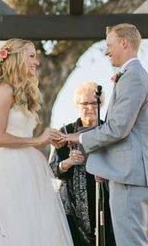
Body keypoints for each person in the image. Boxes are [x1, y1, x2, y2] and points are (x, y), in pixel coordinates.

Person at [0, 39, 73, 246]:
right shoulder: (4, 90)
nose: (36, 62)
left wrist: (50, 139)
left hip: (28, 166)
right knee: (12, 225)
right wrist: (38, 140)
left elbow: (22, 134)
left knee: (33, 226)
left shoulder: (24, 93)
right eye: (31, 56)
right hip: (8, 167)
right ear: (16, 58)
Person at [64, 24, 148, 246]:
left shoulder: (133, 77)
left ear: (124, 43)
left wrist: (78, 137)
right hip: (129, 174)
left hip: (130, 175)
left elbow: (117, 129)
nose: (106, 51)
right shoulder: (132, 76)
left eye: (109, 45)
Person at [49, 82, 116, 246]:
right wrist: (69, 162)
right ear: (77, 105)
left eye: (94, 103)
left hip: (105, 201)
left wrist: (106, 173)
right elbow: (51, 170)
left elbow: (119, 163)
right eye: (85, 103)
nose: (90, 107)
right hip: (72, 208)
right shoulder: (65, 132)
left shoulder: (108, 130)